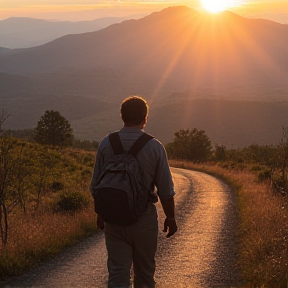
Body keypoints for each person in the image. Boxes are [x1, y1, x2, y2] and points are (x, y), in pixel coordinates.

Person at [89, 95, 177, 288]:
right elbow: (165, 191)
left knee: (118, 274)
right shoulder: (154, 146)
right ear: (145, 117)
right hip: (143, 218)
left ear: (122, 116)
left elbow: (95, 185)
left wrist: (101, 214)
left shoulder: (106, 143)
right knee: (145, 274)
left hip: (113, 220)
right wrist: (170, 218)